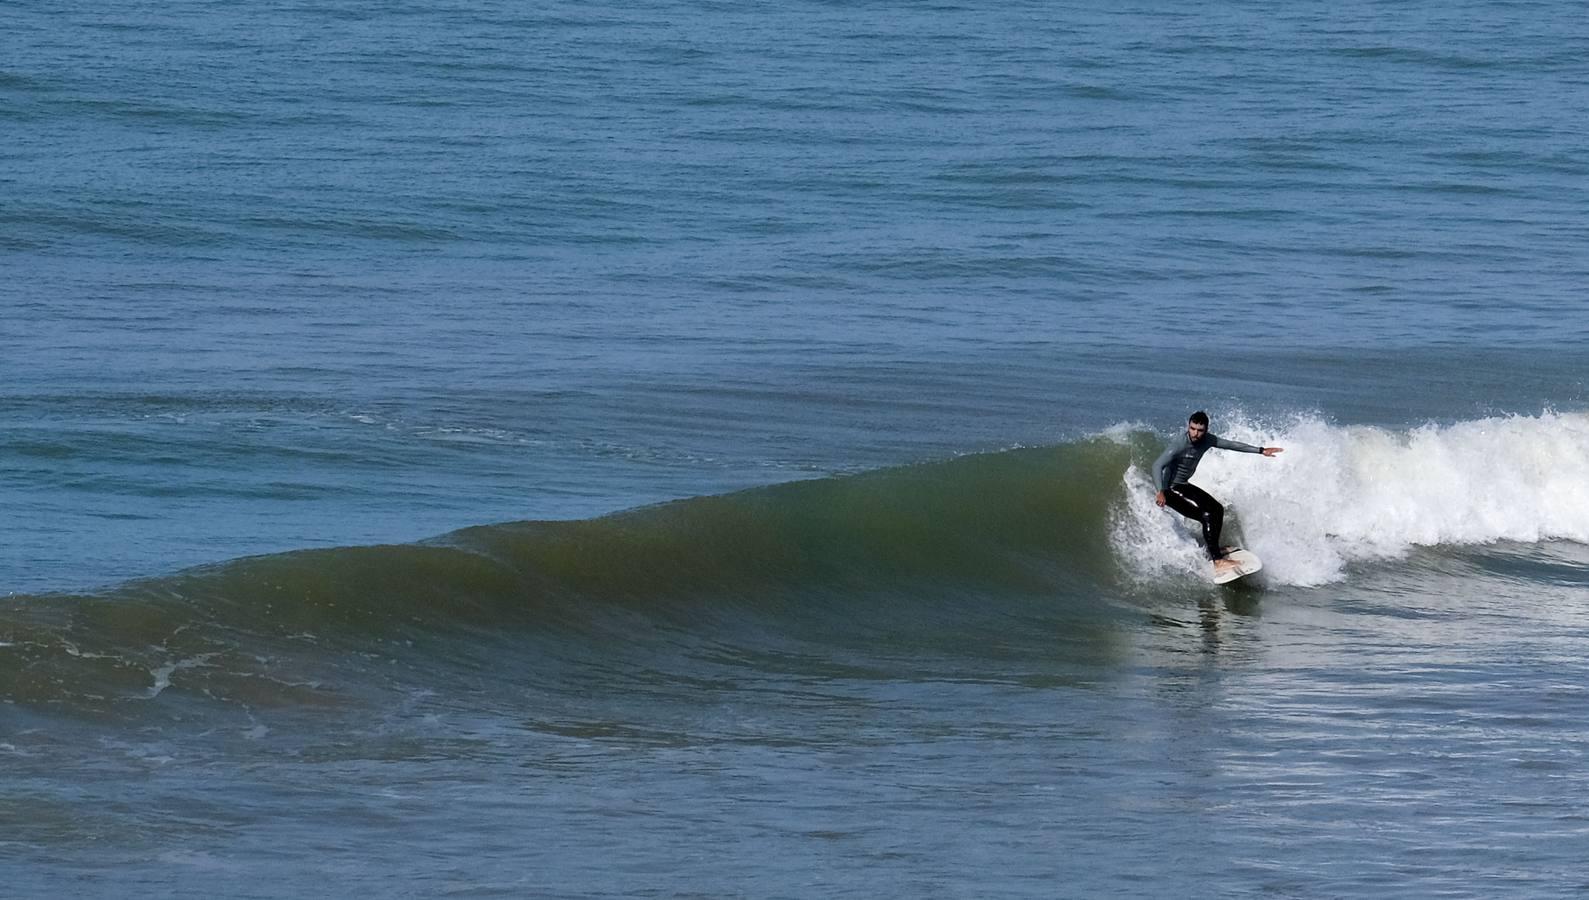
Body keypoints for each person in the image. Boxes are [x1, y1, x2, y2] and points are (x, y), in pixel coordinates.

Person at [1153, 411, 1283, 573]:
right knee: (1208, 515)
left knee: (1217, 510)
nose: (1195, 433)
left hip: (1183, 485)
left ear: (1206, 430)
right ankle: (1217, 560)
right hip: (1170, 490)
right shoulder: (1179, 444)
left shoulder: (1207, 440)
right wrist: (1160, 492)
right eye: (1192, 428)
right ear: (1189, 426)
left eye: (1200, 430)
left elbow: (1231, 444)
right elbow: (1157, 465)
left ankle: (1213, 550)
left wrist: (1261, 450)